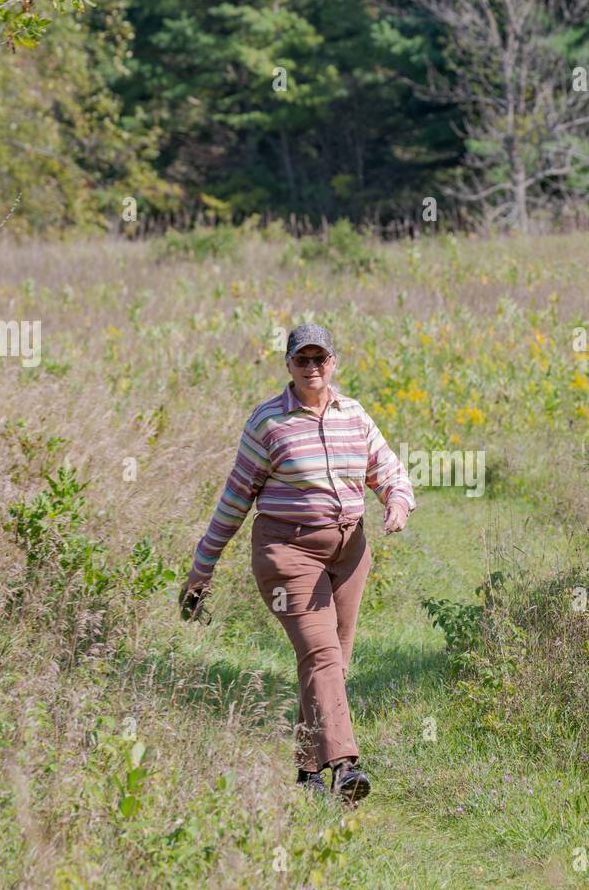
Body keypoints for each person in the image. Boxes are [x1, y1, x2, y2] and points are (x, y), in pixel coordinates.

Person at [178, 324, 417, 803]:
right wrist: (203, 567)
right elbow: (235, 498)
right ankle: (346, 767)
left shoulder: (354, 414)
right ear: (288, 365)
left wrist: (396, 502)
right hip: (288, 552)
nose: (312, 368)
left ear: (334, 363)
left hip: (350, 554)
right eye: (301, 360)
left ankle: (308, 772)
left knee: (332, 662)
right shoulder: (269, 422)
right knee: (322, 654)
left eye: (320, 359)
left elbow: (387, 468)